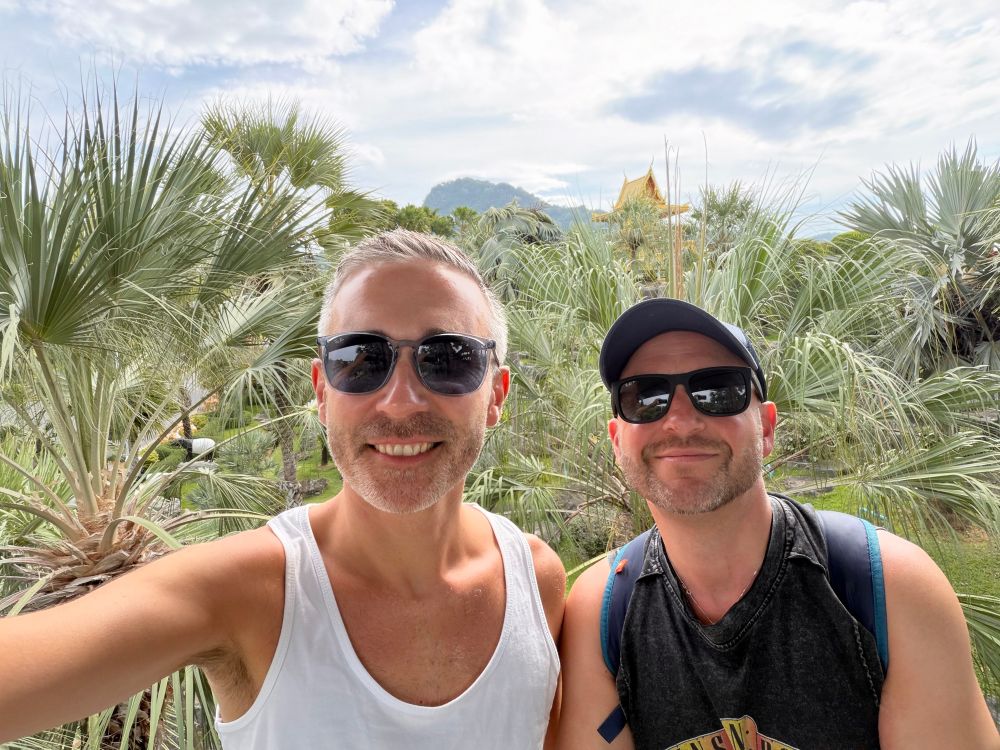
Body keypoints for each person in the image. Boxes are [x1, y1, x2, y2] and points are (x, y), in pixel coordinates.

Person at [0, 229, 565, 749]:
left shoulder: (536, 583)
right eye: (361, 360)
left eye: (447, 360)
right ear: (321, 391)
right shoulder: (249, 591)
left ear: (496, 395)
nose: (400, 401)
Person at [557, 298, 999, 749]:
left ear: (766, 429)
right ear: (616, 440)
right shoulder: (601, 611)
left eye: (717, 390)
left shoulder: (889, 588)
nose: (680, 419)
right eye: (645, 396)